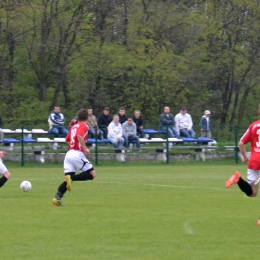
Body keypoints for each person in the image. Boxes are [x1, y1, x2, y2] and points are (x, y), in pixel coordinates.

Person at [52, 109, 96, 206]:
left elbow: (67, 139)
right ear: (87, 118)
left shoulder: (74, 126)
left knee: (66, 180)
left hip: (69, 154)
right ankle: (71, 178)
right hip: (76, 153)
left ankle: (57, 198)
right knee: (92, 174)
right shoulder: (84, 126)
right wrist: (85, 148)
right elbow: (80, 136)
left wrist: (74, 144)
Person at [226, 104, 260, 200]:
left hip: (254, 161)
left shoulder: (252, 126)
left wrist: (245, 157)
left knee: (252, 192)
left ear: (258, 112)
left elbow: (241, 143)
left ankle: (238, 179)